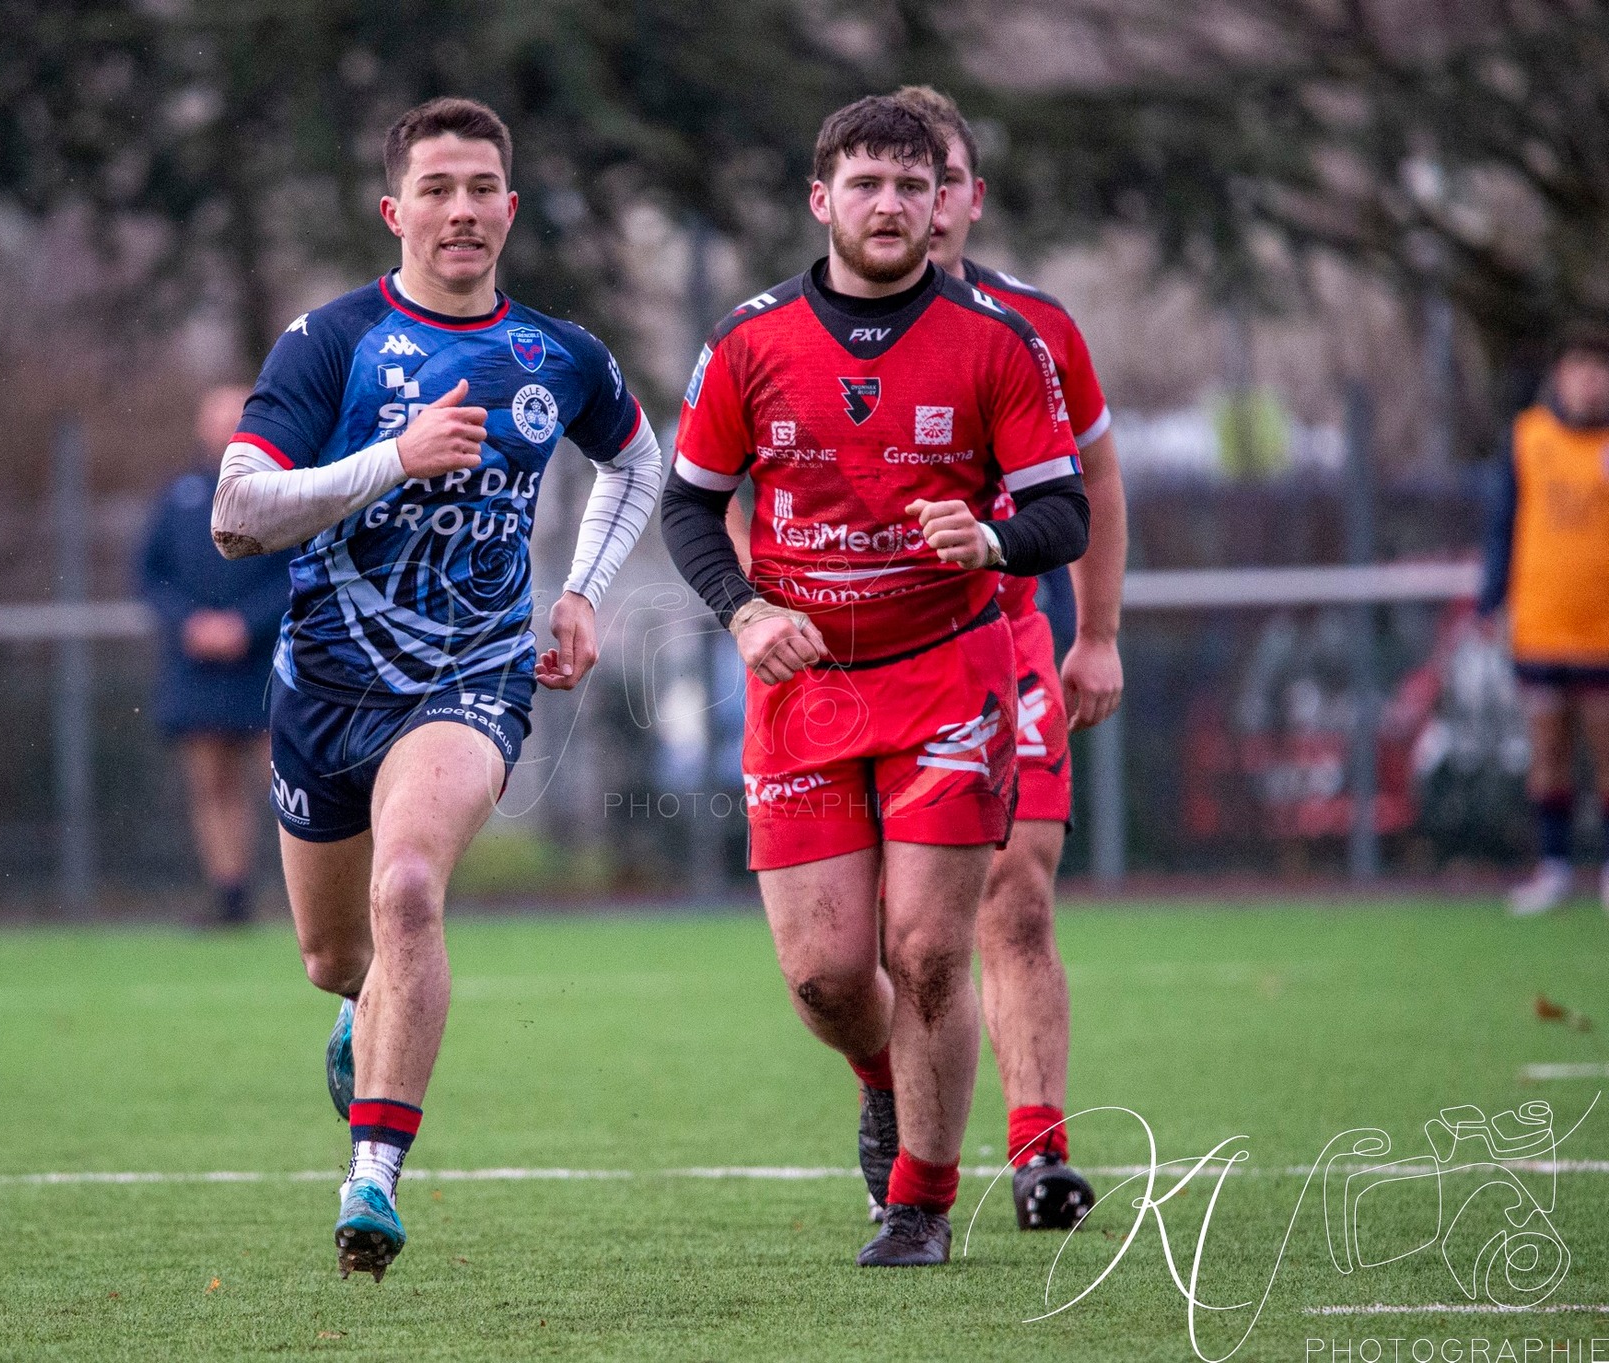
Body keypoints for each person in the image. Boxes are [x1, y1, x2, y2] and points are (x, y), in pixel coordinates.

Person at [210, 96, 662, 1280]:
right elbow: (237, 512)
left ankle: (372, 1178)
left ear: (509, 210)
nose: (460, 210)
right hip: (322, 687)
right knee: (332, 954)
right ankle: (360, 1013)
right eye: (436, 188)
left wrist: (580, 590)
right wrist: (387, 463)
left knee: (409, 888)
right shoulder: (330, 341)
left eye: (480, 190)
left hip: (471, 678)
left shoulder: (558, 354)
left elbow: (636, 456)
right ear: (393, 208)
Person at [661, 94, 1088, 1267]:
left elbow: (1064, 507)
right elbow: (689, 504)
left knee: (929, 952)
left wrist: (993, 543)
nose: (889, 205)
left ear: (941, 201)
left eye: (910, 185)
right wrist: (744, 610)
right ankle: (881, 1082)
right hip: (802, 689)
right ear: (821, 200)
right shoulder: (748, 341)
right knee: (824, 976)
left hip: (946, 679)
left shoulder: (997, 342)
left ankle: (922, 1200)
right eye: (864, 184)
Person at [140, 385, 297, 925]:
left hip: (266, 662)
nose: (227, 428)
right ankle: (230, 896)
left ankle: (309, 895)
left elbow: (297, 573)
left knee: (284, 780)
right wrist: (190, 624)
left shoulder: (281, 490)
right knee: (212, 784)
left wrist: (244, 626)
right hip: (197, 669)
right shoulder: (178, 496)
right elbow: (150, 574)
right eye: (217, 418)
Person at [1479, 329, 1609, 915]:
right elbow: (1502, 524)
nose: (1590, 381)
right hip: (1541, 622)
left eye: (1600, 370)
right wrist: (1492, 599)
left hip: (1603, 629)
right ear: (1560, 374)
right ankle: (1554, 868)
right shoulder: (1529, 437)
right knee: (1548, 749)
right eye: (1581, 368)